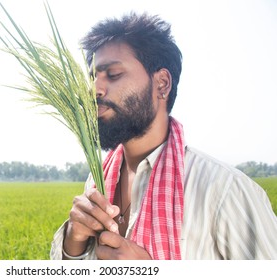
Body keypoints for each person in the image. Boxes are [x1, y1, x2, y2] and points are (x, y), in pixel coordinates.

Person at [50, 12, 277, 260]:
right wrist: (73, 243)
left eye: (113, 74)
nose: (94, 90)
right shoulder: (98, 180)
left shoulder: (225, 191)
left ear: (162, 84)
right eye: (93, 77)